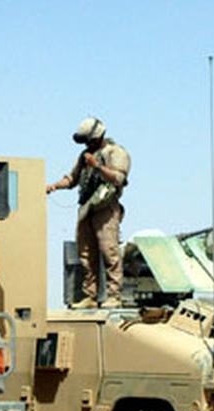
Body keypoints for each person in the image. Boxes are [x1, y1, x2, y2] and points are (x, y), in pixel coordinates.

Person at [46, 118, 131, 309]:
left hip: (105, 207)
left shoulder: (115, 153)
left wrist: (97, 166)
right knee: (86, 254)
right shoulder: (85, 155)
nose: (87, 145)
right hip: (87, 208)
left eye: (89, 140)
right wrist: (54, 186)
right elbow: (72, 179)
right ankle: (90, 296)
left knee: (109, 252)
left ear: (98, 136)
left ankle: (113, 295)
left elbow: (119, 178)